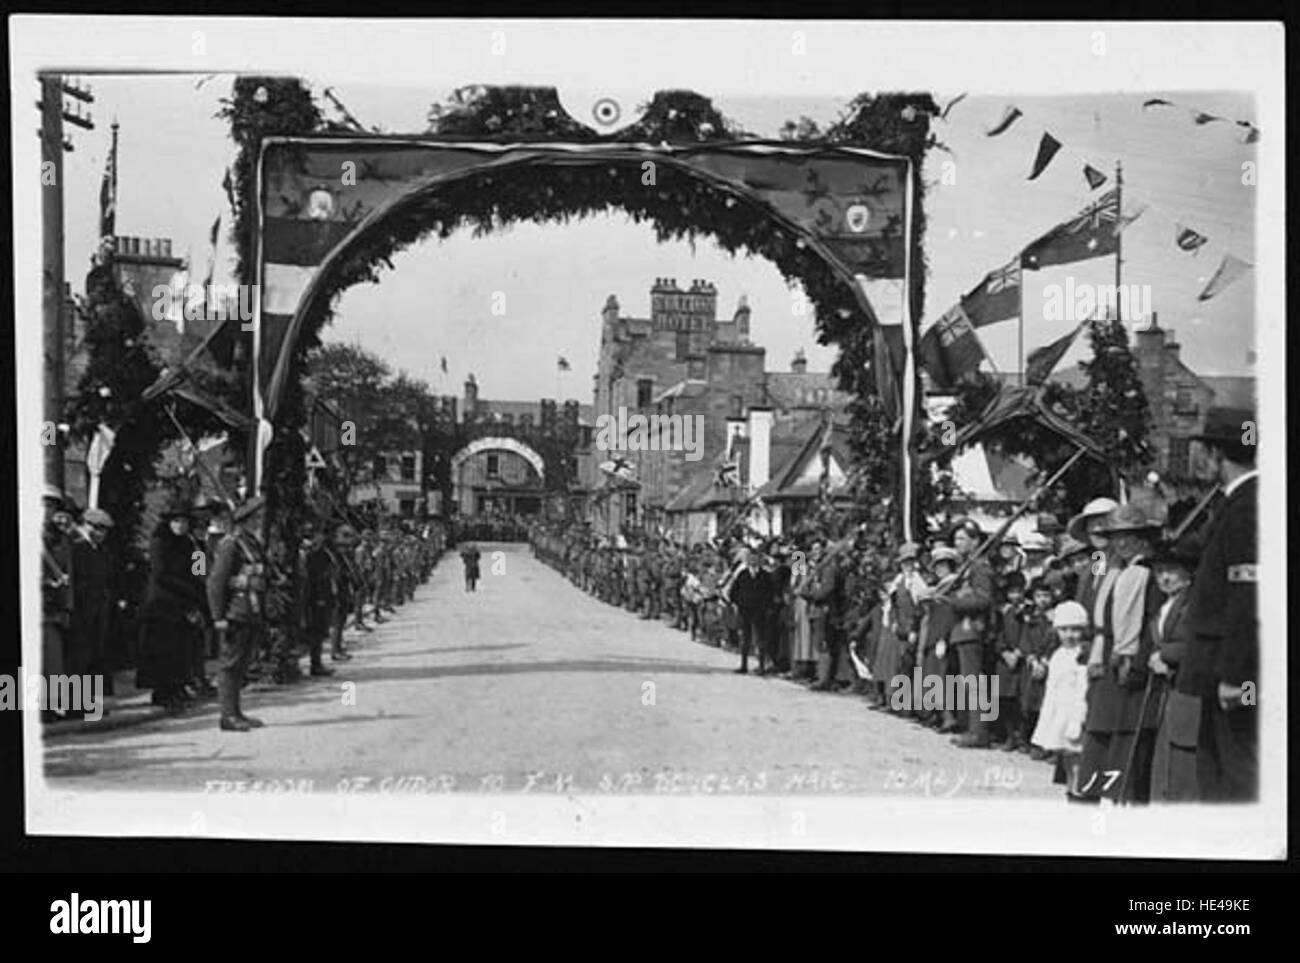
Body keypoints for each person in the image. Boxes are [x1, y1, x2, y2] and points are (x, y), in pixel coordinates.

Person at [1181, 406, 1258, 802]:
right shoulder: (1236, 503)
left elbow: (1249, 597)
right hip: (1221, 668)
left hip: (1234, 674)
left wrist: (1235, 674)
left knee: (1237, 770)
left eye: (1202, 450)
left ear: (1216, 454)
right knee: (1216, 767)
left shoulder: (1247, 508)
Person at [1077, 504, 1164, 803]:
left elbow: (1153, 623)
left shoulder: (1146, 572)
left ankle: (1121, 798)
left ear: (1142, 537)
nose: (1120, 542)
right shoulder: (1106, 565)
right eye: (1114, 535)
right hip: (1104, 655)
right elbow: (1088, 598)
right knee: (1098, 730)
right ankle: (1089, 792)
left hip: (1128, 660)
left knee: (1126, 734)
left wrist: (1137, 663)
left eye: (1130, 535)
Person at [208, 496, 268, 732]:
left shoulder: (249, 543)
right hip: (234, 609)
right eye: (256, 518)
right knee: (230, 663)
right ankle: (227, 714)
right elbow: (215, 582)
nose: (259, 521)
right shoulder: (229, 544)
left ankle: (236, 711)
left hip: (249, 609)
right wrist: (217, 615)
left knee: (241, 662)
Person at [140, 498, 206, 713]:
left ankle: (179, 687)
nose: (181, 526)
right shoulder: (160, 541)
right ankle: (162, 692)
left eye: (184, 522)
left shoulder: (191, 544)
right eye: (176, 521)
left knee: (182, 649)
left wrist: (197, 599)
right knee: (163, 650)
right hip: (163, 603)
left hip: (184, 604)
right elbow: (161, 574)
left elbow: (199, 573)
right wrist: (188, 589)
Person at [1146, 539, 1199, 802]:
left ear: (1188, 572)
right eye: (1159, 571)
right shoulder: (1164, 605)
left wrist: (1164, 655)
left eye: (1171, 571)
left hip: (1190, 688)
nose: (1164, 577)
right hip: (1169, 690)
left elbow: (1198, 642)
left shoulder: (1196, 602)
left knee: (1185, 763)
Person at [1031, 601, 1092, 798]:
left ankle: (1078, 793)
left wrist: (1077, 719)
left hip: (1073, 712)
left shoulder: (1082, 655)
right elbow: (1052, 687)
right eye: (1064, 630)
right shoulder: (1058, 654)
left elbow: (1083, 689)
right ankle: (1069, 791)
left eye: (1075, 630)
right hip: (1058, 710)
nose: (1069, 635)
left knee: (1076, 758)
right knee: (1065, 757)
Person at [946, 518, 995, 748]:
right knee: (970, 682)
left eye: (962, 539)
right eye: (956, 539)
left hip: (972, 628)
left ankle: (979, 731)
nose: (957, 543)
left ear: (975, 541)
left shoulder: (980, 567)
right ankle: (973, 727)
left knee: (975, 682)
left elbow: (984, 599)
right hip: (963, 629)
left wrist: (953, 602)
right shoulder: (967, 566)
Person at [41, 486, 75, 722]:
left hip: (53, 609)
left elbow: (68, 574)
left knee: (53, 661)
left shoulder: (60, 539)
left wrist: (68, 606)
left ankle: (50, 706)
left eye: (52, 506)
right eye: (44, 504)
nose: (47, 510)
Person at [727, 548, 772, 675]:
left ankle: (761, 665)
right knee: (745, 638)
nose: (753, 561)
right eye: (751, 558)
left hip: (760, 611)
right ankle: (743, 665)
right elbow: (733, 591)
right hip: (745, 610)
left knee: (760, 638)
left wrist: (766, 606)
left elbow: (769, 593)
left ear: (760, 560)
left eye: (756, 558)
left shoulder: (765, 576)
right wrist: (739, 603)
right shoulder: (743, 574)